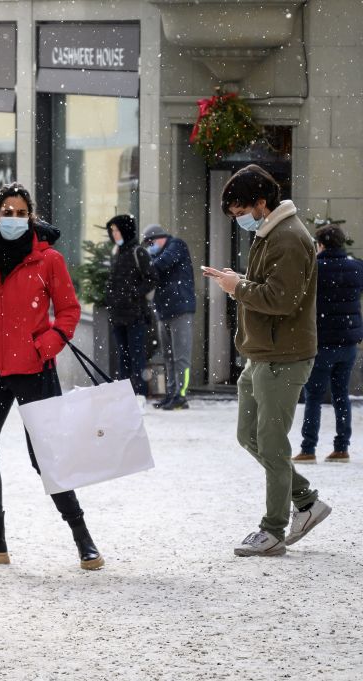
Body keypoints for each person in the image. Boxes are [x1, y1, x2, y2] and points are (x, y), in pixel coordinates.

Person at [0, 182, 104, 571]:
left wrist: (46, 345)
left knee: (46, 457)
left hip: (34, 370)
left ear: (30, 217)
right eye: (8, 212)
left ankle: (83, 538)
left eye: (21, 213)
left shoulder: (48, 259)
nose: (14, 219)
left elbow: (68, 311)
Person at [203, 163, 331, 557]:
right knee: (250, 437)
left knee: (272, 445)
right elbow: (270, 289)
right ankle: (307, 502)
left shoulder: (289, 237)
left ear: (261, 202)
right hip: (261, 354)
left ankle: (272, 529)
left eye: (241, 212)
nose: (238, 220)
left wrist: (236, 286)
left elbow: (282, 299)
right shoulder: (271, 231)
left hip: (283, 357)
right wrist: (236, 281)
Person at [294, 224, 363, 464]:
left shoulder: (314, 268)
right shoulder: (356, 268)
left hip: (321, 342)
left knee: (313, 396)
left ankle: (308, 448)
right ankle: (342, 447)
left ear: (320, 244)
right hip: (349, 343)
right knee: (341, 394)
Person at [141, 224, 196, 410]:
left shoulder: (176, 245)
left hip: (180, 309)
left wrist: (145, 261)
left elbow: (162, 263)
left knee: (181, 357)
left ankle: (181, 395)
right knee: (169, 356)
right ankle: (171, 394)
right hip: (164, 310)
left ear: (160, 237)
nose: (150, 246)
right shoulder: (157, 255)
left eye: (150, 242)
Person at [104, 214, 155, 401]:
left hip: (135, 315)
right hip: (118, 314)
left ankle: (139, 394)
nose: (114, 234)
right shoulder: (117, 252)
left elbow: (151, 278)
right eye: (112, 231)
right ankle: (124, 395)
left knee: (136, 356)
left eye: (116, 230)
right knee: (123, 356)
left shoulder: (137, 252)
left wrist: (133, 293)